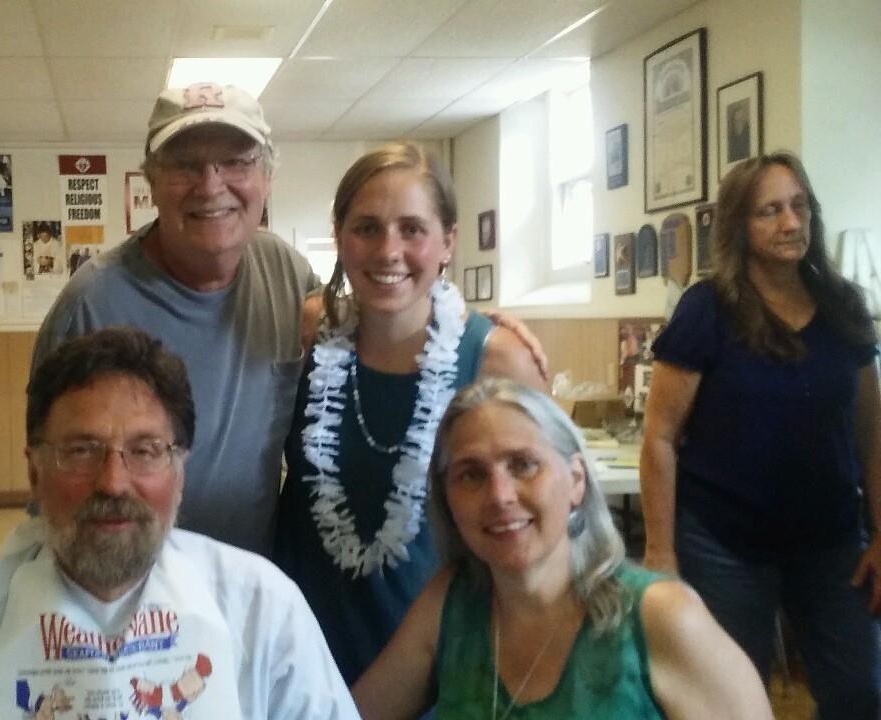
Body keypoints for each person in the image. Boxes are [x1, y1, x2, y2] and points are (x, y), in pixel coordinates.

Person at [31, 82, 546, 556]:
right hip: (128, 585)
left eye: (236, 161)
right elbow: (47, 471)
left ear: (266, 178)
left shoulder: (285, 273)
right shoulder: (90, 305)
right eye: (185, 164)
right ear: (150, 181)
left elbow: (376, 302)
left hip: (257, 581)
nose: (211, 185)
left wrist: (472, 324)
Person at [0, 328, 359, 720]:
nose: (113, 483)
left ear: (180, 469)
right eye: (81, 450)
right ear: (34, 471)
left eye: (146, 451)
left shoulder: (264, 611)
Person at [274, 141, 544, 686]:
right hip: (298, 647)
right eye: (367, 227)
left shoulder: (497, 360)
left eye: (412, 229)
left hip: (440, 654)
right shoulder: (306, 335)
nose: (388, 250)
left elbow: (550, 528)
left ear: (448, 241)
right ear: (340, 237)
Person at [353, 378, 772, 719]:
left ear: (576, 481)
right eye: (472, 474)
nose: (500, 496)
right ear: (447, 499)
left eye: (523, 465)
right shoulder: (453, 604)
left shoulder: (661, 617)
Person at [640, 151, 881, 716]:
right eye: (769, 211)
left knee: (861, 691)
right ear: (739, 227)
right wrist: (659, 553)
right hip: (725, 543)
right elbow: (660, 437)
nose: (790, 223)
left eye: (799, 207)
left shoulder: (843, 306)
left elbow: (872, 430)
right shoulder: (707, 309)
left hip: (832, 543)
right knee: (730, 699)